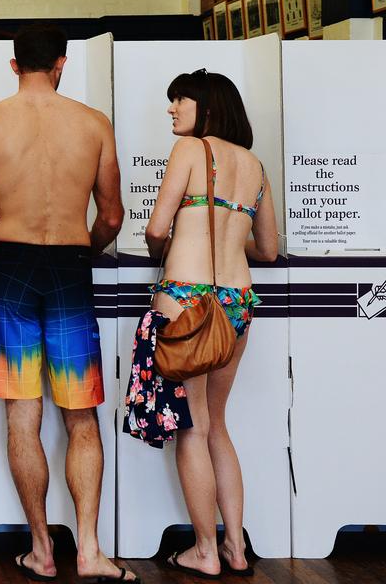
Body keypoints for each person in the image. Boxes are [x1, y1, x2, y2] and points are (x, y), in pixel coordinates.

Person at [0, 23, 134, 582]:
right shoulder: (94, 124)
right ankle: (92, 551)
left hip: (12, 270)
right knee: (82, 417)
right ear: (61, 62)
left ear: (12, 64)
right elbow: (114, 217)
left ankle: (42, 550)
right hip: (71, 270)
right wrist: (86, 249)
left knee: (22, 416)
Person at [145, 70, 278, 578]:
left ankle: (203, 551)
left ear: (208, 106)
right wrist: (226, 229)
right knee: (218, 424)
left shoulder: (189, 152)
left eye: (180, 99)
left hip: (186, 297)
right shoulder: (255, 165)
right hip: (237, 302)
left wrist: (175, 238)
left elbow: (157, 228)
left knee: (193, 427)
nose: (172, 108)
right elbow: (267, 248)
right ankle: (236, 549)